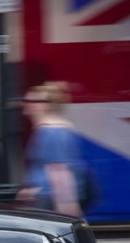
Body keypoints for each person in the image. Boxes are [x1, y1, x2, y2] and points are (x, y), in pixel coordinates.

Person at [16, 81, 85, 218]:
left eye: (33, 101)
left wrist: (67, 208)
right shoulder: (45, 129)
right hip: (44, 199)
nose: (27, 104)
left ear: (46, 105)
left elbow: (59, 171)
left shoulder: (52, 131)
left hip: (49, 201)